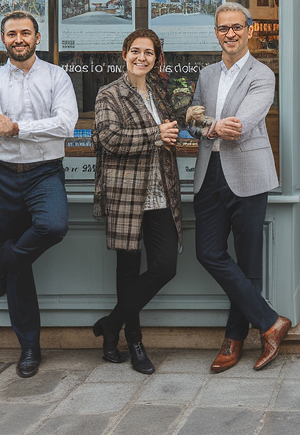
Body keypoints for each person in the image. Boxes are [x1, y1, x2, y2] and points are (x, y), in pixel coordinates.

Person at [185, 2, 291, 372]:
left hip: (248, 172)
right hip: (208, 172)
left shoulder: (263, 74)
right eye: (222, 28)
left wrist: (205, 123)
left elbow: (239, 124)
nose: (229, 33)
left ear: (249, 30)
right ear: (216, 33)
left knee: (248, 263)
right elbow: (190, 123)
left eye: (236, 27)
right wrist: (204, 124)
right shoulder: (206, 74)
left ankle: (233, 340)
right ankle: (270, 322)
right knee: (208, 252)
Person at [0, 11, 78, 379]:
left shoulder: (57, 76)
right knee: (22, 269)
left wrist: (16, 126)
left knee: (53, 226)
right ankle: (29, 346)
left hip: (44, 173)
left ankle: (4, 260)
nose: (19, 39)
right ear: (2, 39)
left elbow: (66, 124)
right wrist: (24, 128)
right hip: (1, 175)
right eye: (11, 34)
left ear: (38, 37)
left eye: (25, 33)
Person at [91, 29, 183, 374]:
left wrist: (173, 133)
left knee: (164, 267)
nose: (141, 57)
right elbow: (109, 138)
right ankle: (134, 341)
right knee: (127, 272)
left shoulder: (160, 93)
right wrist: (156, 135)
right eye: (135, 51)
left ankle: (111, 323)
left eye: (149, 53)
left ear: (157, 59)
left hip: (161, 193)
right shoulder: (109, 93)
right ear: (124, 53)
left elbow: (171, 133)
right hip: (126, 193)